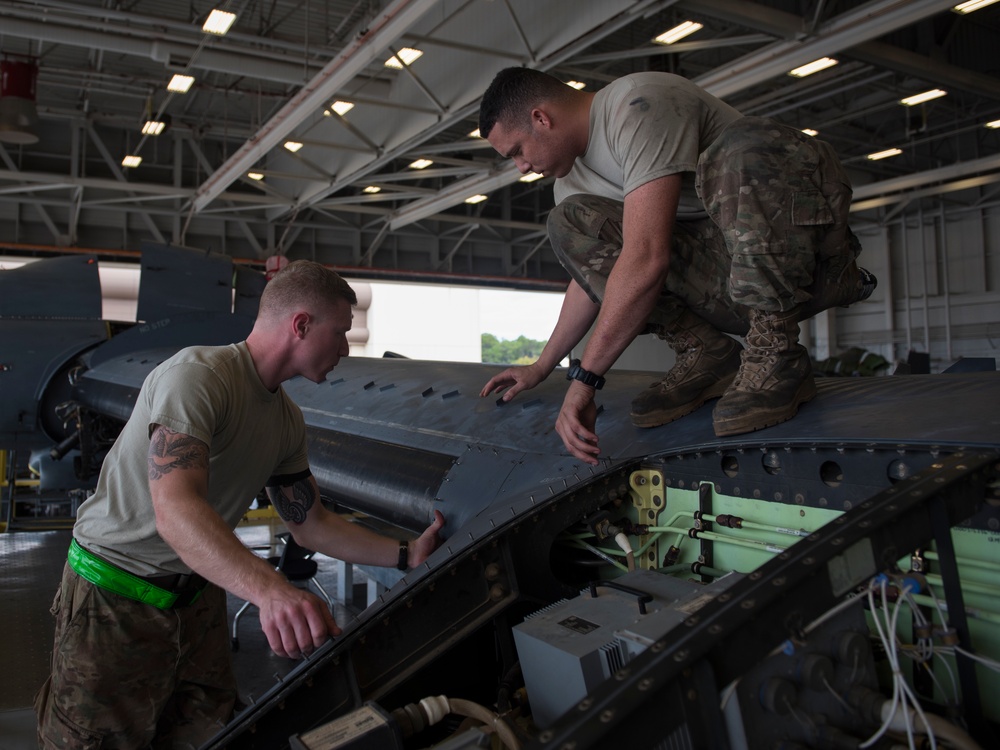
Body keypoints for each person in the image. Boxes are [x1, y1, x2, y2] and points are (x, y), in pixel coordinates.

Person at [35, 260, 446, 749]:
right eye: (339, 333)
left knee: (209, 735)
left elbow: (310, 524)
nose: (344, 348)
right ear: (300, 325)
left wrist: (405, 554)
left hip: (196, 595)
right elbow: (176, 509)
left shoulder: (286, 419)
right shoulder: (198, 378)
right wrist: (271, 591)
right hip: (115, 594)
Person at [478, 67, 874, 465]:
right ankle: (706, 352)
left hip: (803, 265)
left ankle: (777, 351)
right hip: (730, 280)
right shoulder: (571, 185)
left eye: (516, 151)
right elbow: (592, 280)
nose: (522, 168)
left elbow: (646, 257)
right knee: (568, 219)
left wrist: (586, 381)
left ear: (541, 119)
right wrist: (543, 365)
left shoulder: (638, 105)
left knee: (744, 145)